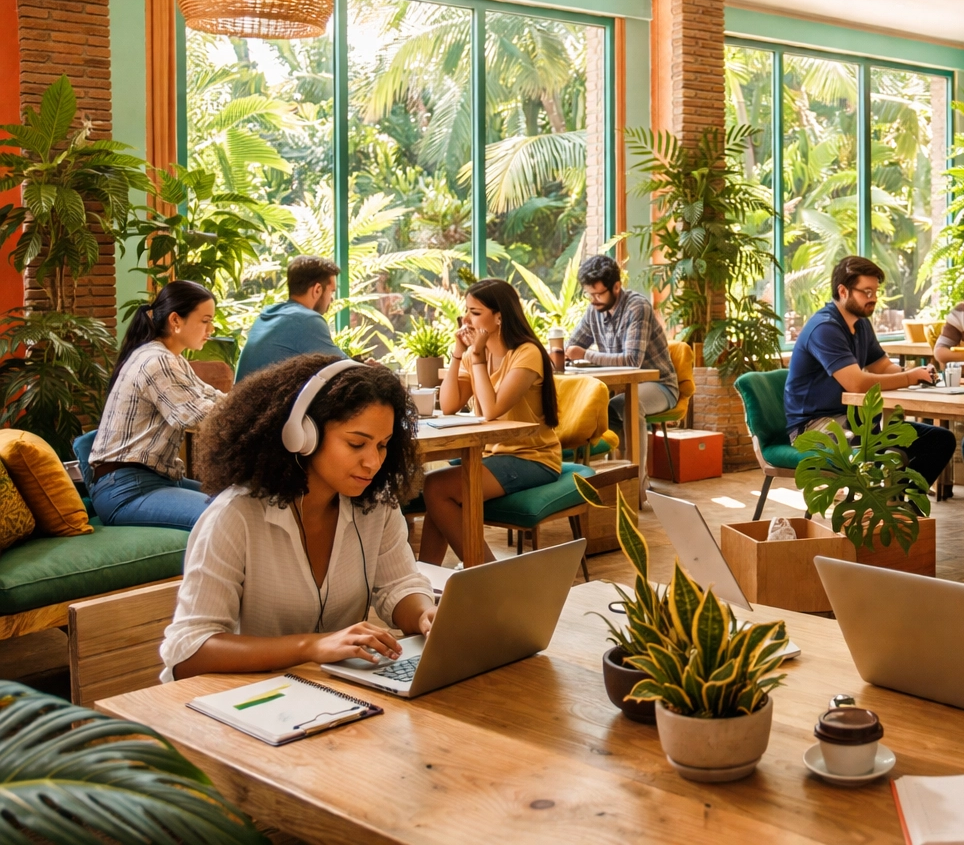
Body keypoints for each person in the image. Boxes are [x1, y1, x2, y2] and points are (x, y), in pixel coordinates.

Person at [160, 354, 436, 680]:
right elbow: (188, 651)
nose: (373, 462)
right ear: (303, 435)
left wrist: (424, 614)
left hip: (328, 693)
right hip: (240, 697)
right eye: (356, 443)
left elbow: (399, 585)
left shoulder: (375, 506)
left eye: (382, 445)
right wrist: (310, 647)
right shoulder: (234, 516)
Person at [419, 279, 563, 565]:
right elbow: (449, 405)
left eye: (474, 312)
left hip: (532, 458)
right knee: (434, 489)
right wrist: (459, 353)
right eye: (466, 312)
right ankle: (424, 583)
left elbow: (491, 410)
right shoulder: (479, 353)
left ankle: (487, 574)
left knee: (436, 488)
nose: (465, 320)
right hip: (491, 455)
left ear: (499, 317)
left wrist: (476, 357)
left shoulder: (526, 353)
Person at [784, 256, 956, 486]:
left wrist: (917, 372)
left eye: (875, 291)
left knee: (940, 439)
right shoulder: (825, 328)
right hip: (815, 427)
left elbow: (882, 366)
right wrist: (908, 377)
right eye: (866, 292)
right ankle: (886, 508)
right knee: (876, 452)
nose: (873, 298)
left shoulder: (860, 323)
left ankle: (901, 508)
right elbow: (856, 383)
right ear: (843, 291)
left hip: (856, 421)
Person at [89, 280, 224, 531]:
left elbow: (214, 398)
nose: (212, 328)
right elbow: (196, 414)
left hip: (148, 481)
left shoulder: (173, 359)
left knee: (238, 503)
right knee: (226, 516)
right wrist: (260, 417)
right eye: (205, 320)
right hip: (126, 489)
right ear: (175, 320)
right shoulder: (156, 360)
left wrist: (262, 405)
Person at [567, 254, 678, 440]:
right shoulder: (594, 310)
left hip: (660, 386)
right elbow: (573, 345)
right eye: (589, 294)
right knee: (591, 408)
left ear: (616, 287)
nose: (593, 300)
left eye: (598, 294)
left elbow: (632, 361)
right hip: (623, 387)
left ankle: (638, 470)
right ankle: (612, 467)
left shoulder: (637, 308)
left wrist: (586, 354)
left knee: (629, 405)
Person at [235, 256, 345, 382]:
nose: (332, 299)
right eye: (332, 291)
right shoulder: (306, 320)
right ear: (317, 290)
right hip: (268, 401)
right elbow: (345, 369)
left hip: (244, 400)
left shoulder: (268, 315)